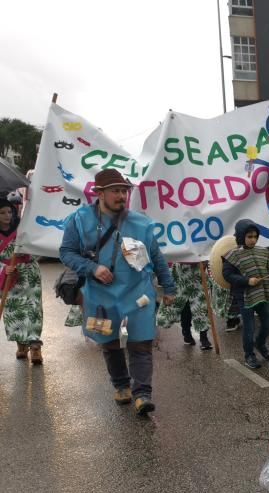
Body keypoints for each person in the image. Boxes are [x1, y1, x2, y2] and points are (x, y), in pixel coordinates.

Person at [59, 169, 176, 416]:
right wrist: (92, 268)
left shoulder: (140, 222)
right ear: (99, 193)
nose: (121, 195)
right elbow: (66, 252)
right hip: (100, 293)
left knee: (142, 341)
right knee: (108, 341)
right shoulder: (79, 220)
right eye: (115, 191)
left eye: (124, 190)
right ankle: (121, 385)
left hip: (138, 291)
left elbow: (155, 256)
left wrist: (169, 286)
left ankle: (142, 393)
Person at [223, 219, 269, 370]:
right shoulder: (232, 255)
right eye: (249, 236)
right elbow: (227, 275)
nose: (253, 240)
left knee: (267, 324)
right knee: (249, 327)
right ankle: (249, 355)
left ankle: (259, 344)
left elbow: (268, 267)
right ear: (241, 236)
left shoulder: (263, 252)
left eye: (255, 236)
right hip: (245, 296)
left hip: (261, 294)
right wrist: (246, 281)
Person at [0, 198, 43, 363]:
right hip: (9, 277)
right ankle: (21, 345)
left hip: (29, 273)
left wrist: (27, 252)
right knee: (14, 311)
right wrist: (4, 269)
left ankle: (35, 347)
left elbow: (38, 246)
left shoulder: (22, 229)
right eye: (2, 212)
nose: (7, 216)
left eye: (9, 212)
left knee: (33, 309)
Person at [157, 263, 213, 350]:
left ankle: (204, 338)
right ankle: (186, 334)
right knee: (185, 312)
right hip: (181, 286)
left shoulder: (198, 254)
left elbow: (205, 260)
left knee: (201, 311)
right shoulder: (177, 258)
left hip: (198, 285)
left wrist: (203, 262)